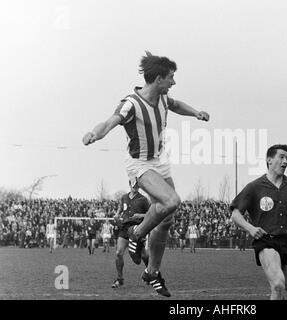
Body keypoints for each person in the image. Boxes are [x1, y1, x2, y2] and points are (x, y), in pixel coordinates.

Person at [82, 51, 209, 297]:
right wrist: (94, 134)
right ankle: (136, 233)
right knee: (171, 200)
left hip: (159, 161)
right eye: (171, 78)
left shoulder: (163, 98)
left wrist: (195, 113)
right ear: (158, 78)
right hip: (139, 164)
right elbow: (110, 121)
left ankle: (151, 272)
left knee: (168, 218)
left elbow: (176, 104)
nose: (173, 82)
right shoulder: (132, 103)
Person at [230, 144, 287, 300]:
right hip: (267, 241)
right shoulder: (254, 187)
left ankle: (283, 280)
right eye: (281, 157)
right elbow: (235, 214)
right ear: (269, 160)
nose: (285, 161)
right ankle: (279, 282)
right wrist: (250, 228)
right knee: (277, 285)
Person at [111, 182, 151, 289]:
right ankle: (120, 279)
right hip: (124, 228)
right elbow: (121, 209)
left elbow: (151, 214)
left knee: (144, 255)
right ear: (129, 184)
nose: (136, 187)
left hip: (136, 229)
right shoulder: (124, 197)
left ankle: (149, 274)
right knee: (119, 252)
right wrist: (117, 214)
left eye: (138, 185)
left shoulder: (143, 199)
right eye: (134, 184)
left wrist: (140, 215)